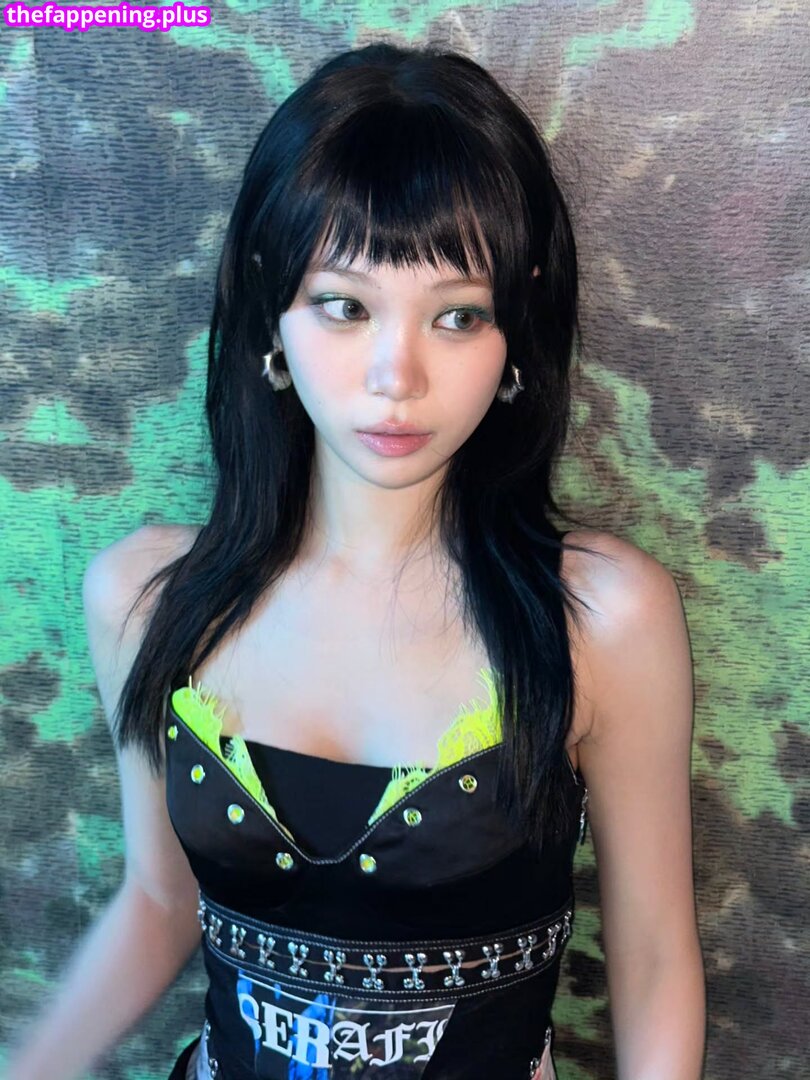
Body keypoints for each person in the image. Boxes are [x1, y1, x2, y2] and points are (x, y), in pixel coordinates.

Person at [5, 42, 706, 1080]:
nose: (396, 377)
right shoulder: (145, 604)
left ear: (515, 331)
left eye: (457, 315)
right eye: (345, 305)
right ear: (272, 315)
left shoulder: (603, 619)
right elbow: (158, 901)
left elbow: (652, 957)